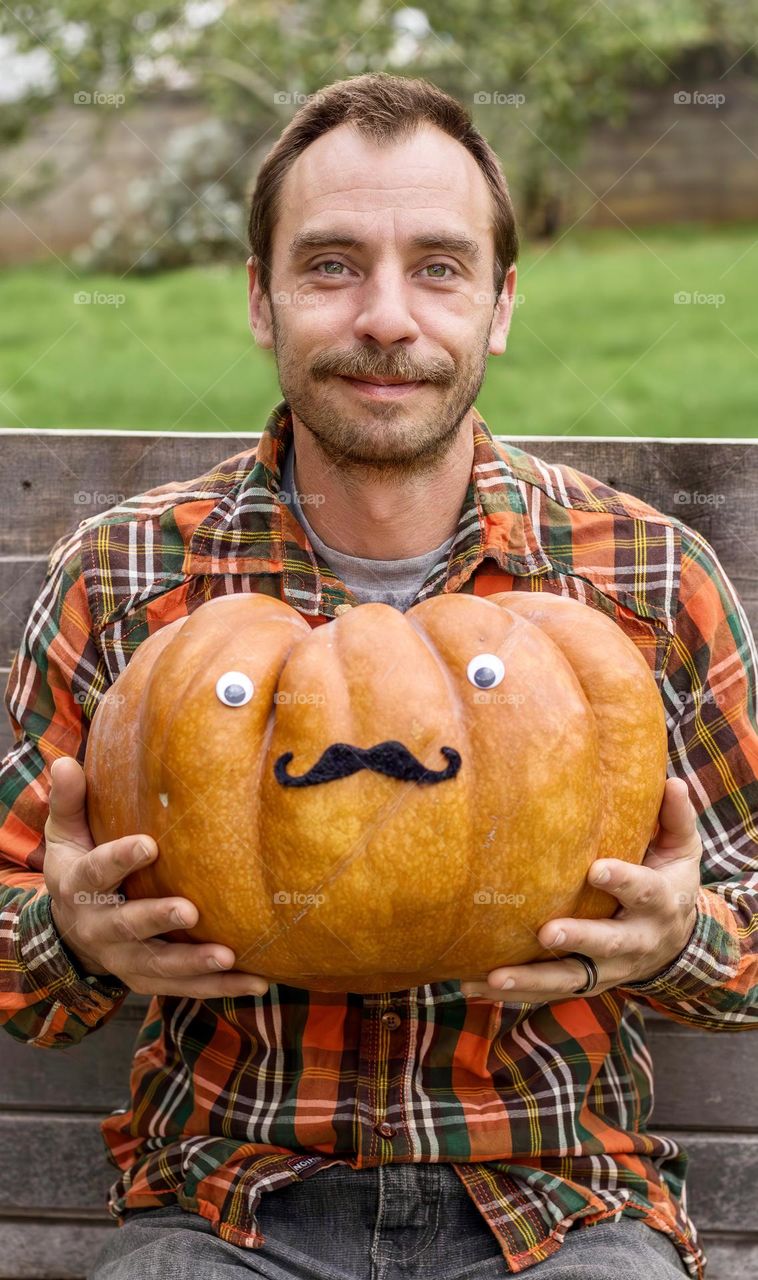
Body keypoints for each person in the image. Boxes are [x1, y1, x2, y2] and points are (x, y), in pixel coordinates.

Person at [1, 71, 756, 1280]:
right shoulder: (129, 579)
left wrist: (679, 938)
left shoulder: (644, 581)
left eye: (440, 268)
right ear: (262, 298)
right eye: (332, 264)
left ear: (500, 304)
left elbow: (750, 910)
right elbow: (9, 942)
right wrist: (73, 938)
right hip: (225, 1211)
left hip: (559, 1212)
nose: (387, 318)